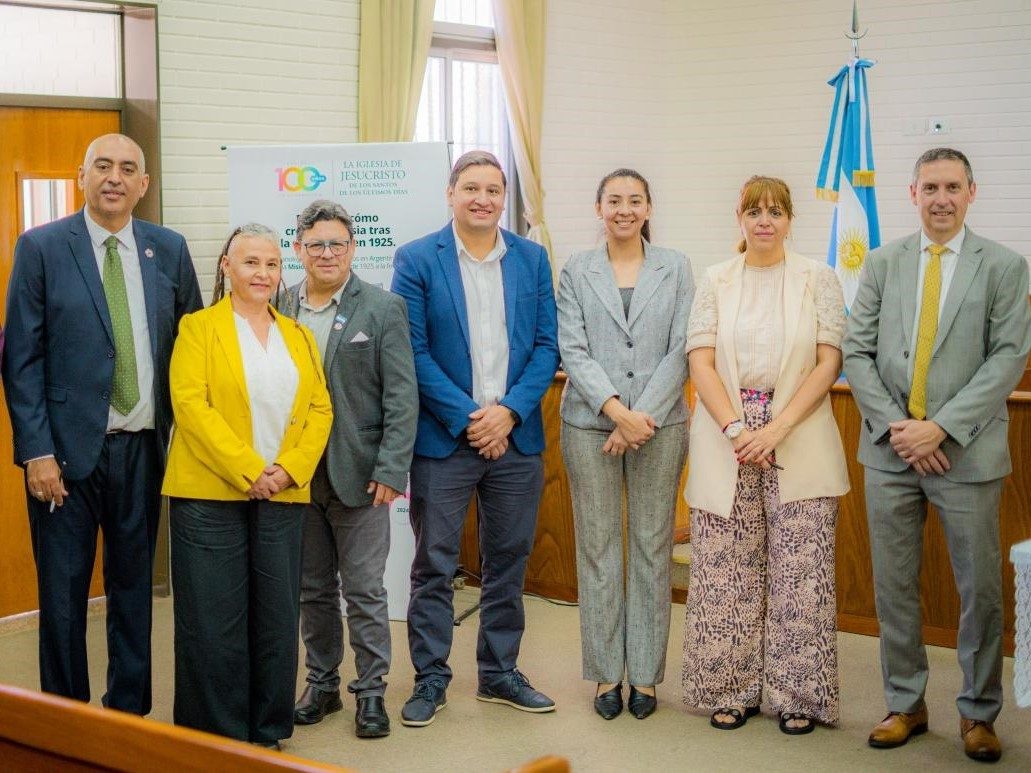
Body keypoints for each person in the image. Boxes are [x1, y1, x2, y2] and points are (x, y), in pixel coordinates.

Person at [1, 133, 202, 714]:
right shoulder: (41, 247)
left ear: (144, 185)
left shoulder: (168, 248)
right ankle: (64, 722)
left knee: (134, 593)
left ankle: (127, 716)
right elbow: (21, 358)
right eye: (104, 166)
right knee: (62, 598)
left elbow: (188, 349)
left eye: (129, 169)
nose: (115, 177)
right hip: (62, 459)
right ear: (81, 175)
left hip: (143, 452)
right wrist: (35, 450)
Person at [843, 148, 1031, 764]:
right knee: (894, 586)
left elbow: (1007, 359)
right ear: (912, 192)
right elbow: (857, 351)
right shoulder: (882, 262)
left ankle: (979, 714)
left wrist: (941, 429)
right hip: (890, 450)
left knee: (980, 590)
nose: (941, 198)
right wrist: (900, 427)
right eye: (930, 187)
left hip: (967, 455)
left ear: (972, 193)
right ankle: (906, 704)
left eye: (953, 187)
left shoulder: (1004, 266)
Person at [390, 150, 560, 727]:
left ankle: (498, 673)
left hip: (516, 439)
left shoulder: (533, 260)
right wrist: (471, 417)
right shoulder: (416, 259)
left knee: (507, 561)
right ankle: (431, 678)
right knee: (434, 564)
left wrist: (508, 412)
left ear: (504, 197)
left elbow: (545, 347)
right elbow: (411, 352)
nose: (482, 198)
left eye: (493, 189)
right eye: (471, 188)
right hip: (444, 439)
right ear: (450, 193)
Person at [681, 175, 849, 735]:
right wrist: (735, 426)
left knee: (801, 570)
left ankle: (798, 695)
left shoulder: (817, 278)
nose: (765, 221)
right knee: (727, 570)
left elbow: (828, 362)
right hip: (726, 435)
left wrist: (774, 428)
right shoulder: (715, 280)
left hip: (796, 431)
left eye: (776, 211)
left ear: (790, 219)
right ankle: (731, 687)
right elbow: (700, 360)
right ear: (739, 216)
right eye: (754, 211)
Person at [162, 223, 333, 749]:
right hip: (209, 496)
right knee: (212, 621)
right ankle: (215, 736)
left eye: (272, 264)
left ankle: (266, 730)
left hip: (283, 493)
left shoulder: (298, 334)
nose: (262, 273)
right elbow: (191, 406)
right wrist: (248, 470)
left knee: (276, 617)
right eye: (251, 262)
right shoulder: (198, 327)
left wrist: (287, 469)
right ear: (227, 268)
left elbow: (319, 408)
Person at [557, 169, 693, 720]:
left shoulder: (677, 267)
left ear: (648, 207)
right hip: (590, 426)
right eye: (614, 200)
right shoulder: (576, 269)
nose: (624, 209)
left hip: (660, 427)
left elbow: (682, 348)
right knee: (598, 549)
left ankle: (645, 675)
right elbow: (572, 347)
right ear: (598, 207)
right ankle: (606, 674)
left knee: (651, 546)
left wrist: (641, 418)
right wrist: (615, 410)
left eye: (635, 200)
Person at [280, 200, 418, 738]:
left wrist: (391, 469)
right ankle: (322, 683)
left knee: (364, 591)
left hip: (361, 475)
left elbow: (403, 399)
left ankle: (371, 692)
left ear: (353, 247)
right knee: (312, 590)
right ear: (299, 250)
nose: (328, 253)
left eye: (338, 243)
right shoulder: (279, 306)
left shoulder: (382, 308)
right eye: (317, 244)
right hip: (295, 478)